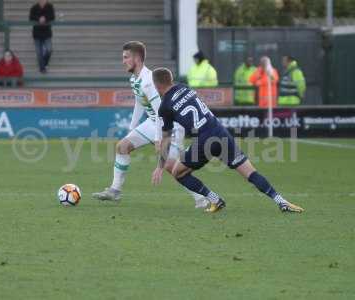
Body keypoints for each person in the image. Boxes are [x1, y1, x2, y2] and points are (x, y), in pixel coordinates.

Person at [151, 67, 304, 214]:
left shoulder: (164, 107)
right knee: (250, 173)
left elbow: (166, 138)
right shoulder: (184, 87)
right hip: (220, 132)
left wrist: (160, 166)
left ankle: (215, 199)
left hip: (204, 141)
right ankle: (281, 201)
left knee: (178, 173)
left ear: (156, 85)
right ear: (170, 79)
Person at [92, 41, 207, 209]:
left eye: (126, 57)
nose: (123, 61)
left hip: (170, 125)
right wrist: (132, 129)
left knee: (172, 166)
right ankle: (115, 190)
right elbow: (140, 103)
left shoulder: (148, 81)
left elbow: (160, 110)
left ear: (137, 58)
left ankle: (201, 198)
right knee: (122, 146)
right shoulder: (134, 79)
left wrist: (158, 138)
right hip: (152, 122)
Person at [29, 0, 55, 73]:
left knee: (49, 49)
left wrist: (45, 18)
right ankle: (42, 68)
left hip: (47, 32)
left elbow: (52, 17)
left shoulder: (50, 7)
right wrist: (38, 19)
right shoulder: (34, 7)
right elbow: (31, 17)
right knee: (38, 52)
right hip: (37, 33)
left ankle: (44, 63)